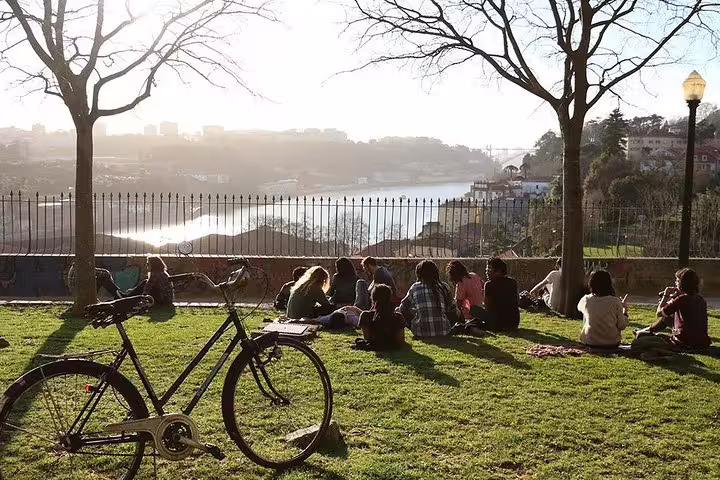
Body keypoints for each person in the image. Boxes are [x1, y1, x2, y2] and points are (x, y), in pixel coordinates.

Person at [635, 268, 711, 349]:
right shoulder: (701, 299)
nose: (675, 283)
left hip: (684, 343)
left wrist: (665, 296)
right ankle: (646, 330)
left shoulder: (682, 299)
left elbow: (659, 313)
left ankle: (643, 332)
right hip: (702, 343)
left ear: (683, 283)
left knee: (642, 338)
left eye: (677, 281)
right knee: (667, 317)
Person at [453, 257, 519, 333]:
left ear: (498, 271)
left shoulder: (489, 285)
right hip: (514, 323)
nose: (486, 272)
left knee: (474, 309)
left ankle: (471, 327)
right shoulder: (513, 282)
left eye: (489, 270)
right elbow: (517, 301)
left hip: (498, 323)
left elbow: (488, 307)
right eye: (486, 270)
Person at [286, 266, 359, 328]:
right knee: (331, 310)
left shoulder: (302, 285)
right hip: (301, 316)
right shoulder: (315, 287)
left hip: (291, 315)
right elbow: (327, 305)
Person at [399, 260, 455, 338]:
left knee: (401, 310)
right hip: (444, 331)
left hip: (420, 333)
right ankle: (445, 326)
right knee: (455, 311)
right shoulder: (444, 286)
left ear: (418, 274)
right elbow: (452, 307)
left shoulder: (415, 287)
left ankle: (418, 326)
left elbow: (402, 308)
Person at [577, 270, 628, 348]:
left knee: (586, 313)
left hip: (590, 341)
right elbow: (622, 326)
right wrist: (625, 311)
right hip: (612, 342)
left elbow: (579, 308)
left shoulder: (586, 299)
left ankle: (590, 334)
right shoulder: (615, 301)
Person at [352, 284, 406, 350]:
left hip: (374, 344)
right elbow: (400, 341)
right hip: (392, 346)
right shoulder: (398, 317)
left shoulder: (365, 316)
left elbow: (367, 338)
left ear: (373, 298)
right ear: (389, 298)